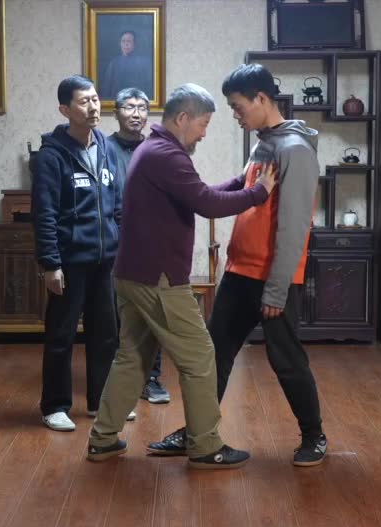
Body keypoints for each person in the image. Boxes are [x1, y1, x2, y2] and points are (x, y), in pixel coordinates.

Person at [86, 83, 276, 469]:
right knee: (201, 355)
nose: (204, 133)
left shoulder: (155, 150)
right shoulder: (165, 155)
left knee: (132, 358)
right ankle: (206, 447)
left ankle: (102, 440)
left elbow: (197, 192)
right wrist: (258, 193)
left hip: (133, 273)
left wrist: (241, 182)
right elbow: (206, 203)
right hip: (157, 278)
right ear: (183, 118)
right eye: (203, 124)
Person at [147, 64, 328, 467]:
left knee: (286, 359)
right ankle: (198, 432)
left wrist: (277, 290)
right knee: (214, 354)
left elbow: (294, 225)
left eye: (237, 106)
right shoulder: (264, 144)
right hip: (239, 272)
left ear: (261, 99)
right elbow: (247, 194)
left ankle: (314, 435)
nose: (235, 114)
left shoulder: (294, 150)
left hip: (272, 278)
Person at [32, 75, 132, 431]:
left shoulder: (106, 147)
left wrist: (121, 248)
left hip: (105, 260)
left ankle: (100, 401)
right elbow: (44, 213)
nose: (93, 107)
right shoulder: (50, 156)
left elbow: (117, 204)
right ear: (65, 109)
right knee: (61, 335)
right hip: (69, 262)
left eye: (95, 99)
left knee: (106, 334)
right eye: (84, 101)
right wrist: (50, 264)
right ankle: (54, 406)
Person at [104, 87, 170, 405]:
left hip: (151, 243)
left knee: (152, 313)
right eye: (129, 107)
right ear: (115, 112)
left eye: (142, 108)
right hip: (113, 242)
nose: (136, 114)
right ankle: (118, 378)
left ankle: (152, 377)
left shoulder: (157, 148)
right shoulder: (103, 149)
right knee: (115, 315)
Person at [100, 31, 152, 100]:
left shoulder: (143, 63)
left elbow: (148, 86)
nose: (126, 44)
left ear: (134, 44)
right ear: (120, 44)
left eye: (129, 41)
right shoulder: (114, 63)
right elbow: (107, 86)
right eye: (123, 41)